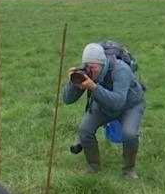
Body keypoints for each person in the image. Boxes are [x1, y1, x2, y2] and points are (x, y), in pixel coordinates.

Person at [63, 42, 147, 179]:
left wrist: (94, 88)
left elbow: (118, 102)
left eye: (93, 67)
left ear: (103, 64)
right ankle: (93, 167)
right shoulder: (87, 72)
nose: (90, 70)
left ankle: (129, 170)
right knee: (85, 130)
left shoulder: (121, 70)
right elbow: (67, 100)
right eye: (87, 66)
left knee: (130, 134)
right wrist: (72, 83)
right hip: (103, 104)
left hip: (130, 106)